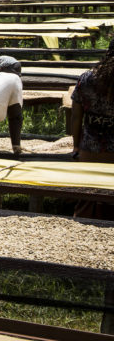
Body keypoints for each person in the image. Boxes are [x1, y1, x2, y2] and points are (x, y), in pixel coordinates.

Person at [69, 40, 114, 219]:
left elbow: (76, 117)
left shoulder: (87, 78)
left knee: (87, 197)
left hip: (90, 148)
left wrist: (76, 146)